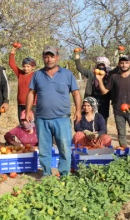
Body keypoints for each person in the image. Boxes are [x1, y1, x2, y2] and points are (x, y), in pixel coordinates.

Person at [25, 46, 82, 177]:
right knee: (44, 148)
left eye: (51, 56)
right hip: (42, 118)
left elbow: (76, 93)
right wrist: (28, 111)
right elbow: (31, 93)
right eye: (46, 56)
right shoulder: (37, 74)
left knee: (64, 147)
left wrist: (78, 110)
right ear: (43, 58)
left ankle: (64, 174)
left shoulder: (67, 74)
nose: (49, 59)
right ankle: (46, 173)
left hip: (61, 118)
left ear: (57, 57)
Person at [96, 54, 130, 147]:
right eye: (122, 63)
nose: (124, 65)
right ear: (118, 64)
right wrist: (100, 80)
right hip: (118, 110)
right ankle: (125, 153)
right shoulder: (114, 77)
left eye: (126, 63)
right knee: (121, 134)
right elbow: (104, 91)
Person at [73, 53, 117, 124]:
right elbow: (79, 68)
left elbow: (118, 69)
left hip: (104, 101)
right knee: (90, 120)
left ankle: (102, 134)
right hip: (91, 100)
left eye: (103, 65)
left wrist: (121, 54)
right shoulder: (91, 74)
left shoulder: (109, 75)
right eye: (99, 65)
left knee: (102, 121)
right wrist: (77, 54)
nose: (101, 67)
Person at [8, 45, 37, 123]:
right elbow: (12, 64)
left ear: (33, 67)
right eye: (24, 66)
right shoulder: (20, 74)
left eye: (28, 66)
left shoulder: (35, 75)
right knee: (22, 124)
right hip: (20, 104)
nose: (26, 68)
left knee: (31, 125)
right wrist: (13, 49)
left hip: (32, 105)